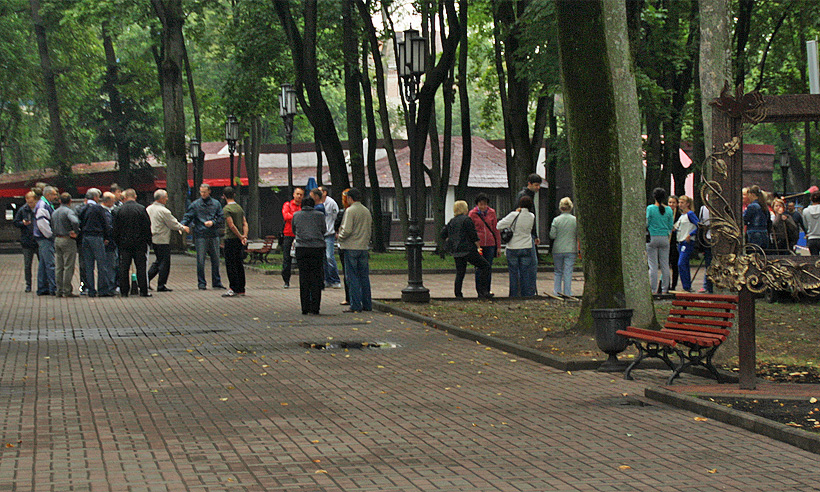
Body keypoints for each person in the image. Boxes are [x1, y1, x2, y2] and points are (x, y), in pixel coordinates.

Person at [441, 200, 492, 299]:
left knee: (460, 272)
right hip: (468, 250)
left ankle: (458, 293)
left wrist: (451, 239)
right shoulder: (467, 220)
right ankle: (483, 291)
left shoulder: (452, 221)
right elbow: (473, 235)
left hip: (456, 251)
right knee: (485, 266)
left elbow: (443, 234)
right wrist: (478, 246)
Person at [182, 183, 225, 290]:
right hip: (200, 234)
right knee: (200, 260)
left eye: (205, 192)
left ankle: (216, 282)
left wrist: (213, 222)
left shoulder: (216, 204)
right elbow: (188, 216)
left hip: (213, 234)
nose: (203, 194)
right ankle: (201, 283)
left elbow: (221, 217)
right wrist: (182, 225)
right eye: (201, 192)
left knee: (215, 260)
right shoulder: (195, 204)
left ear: (209, 191)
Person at [337, 187, 372, 313]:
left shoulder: (350, 211)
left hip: (351, 246)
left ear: (350, 198)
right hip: (363, 247)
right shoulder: (366, 210)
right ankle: (367, 304)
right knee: (364, 277)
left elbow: (347, 229)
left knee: (352, 277)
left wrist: (339, 237)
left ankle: (355, 305)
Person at [147, 189, 189, 292]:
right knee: (164, 262)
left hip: (153, 237)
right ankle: (161, 284)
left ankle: (146, 280)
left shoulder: (149, 208)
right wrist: (182, 228)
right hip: (162, 239)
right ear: (161, 199)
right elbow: (172, 223)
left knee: (158, 261)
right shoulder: (164, 211)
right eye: (165, 197)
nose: (167, 199)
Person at [112, 189, 152, 297]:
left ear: (124, 197)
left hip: (124, 244)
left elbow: (115, 228)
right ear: (135, 196)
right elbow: (147, 226)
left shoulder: (119, 210)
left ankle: (124, 291)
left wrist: (118, 241)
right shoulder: (141, 209)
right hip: (140, 243)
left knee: (124, 268)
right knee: (141, 267)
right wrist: (148, 241)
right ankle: (143, 290)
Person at [291, 196, 326, 314]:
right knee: (316, 276)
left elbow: (294, 230)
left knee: (304, 277)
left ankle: (305, 307)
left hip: (302, 248)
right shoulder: (320, 215)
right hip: (317, 248)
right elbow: (324, 230)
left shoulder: (296, 215)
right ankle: (315, 307)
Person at [497, 195, 537, 297]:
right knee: (525, 272)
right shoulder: (532, 216)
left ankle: (514, 294)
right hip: (527, 246)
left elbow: (499, 225)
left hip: (513, 247)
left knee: (513, 273)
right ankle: (525, 294)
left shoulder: (513, 215)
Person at [78, 188, 114, 297]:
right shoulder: (98, 208)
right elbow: (105, 223)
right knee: (101, 264)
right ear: (95, 197)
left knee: (88, 265)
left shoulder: (83, 208)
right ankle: (103, 289)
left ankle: (91, 289)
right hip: (97, 236)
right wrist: (107, 237)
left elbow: (79, 222)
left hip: (85, 237)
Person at [468, 194, 501, 294]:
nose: (483, 207)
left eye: (485, 204)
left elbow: (495, 229)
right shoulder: (472, 214)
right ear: (477, 204)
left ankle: (487, 289)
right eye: (481, 204)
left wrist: (498, 246)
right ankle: (480, 290)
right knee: (479, 267)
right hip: (479, 244)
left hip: (490, 244)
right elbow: (470, 230)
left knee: (488, 266)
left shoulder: (492, 212)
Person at [515, 173, 542, 290]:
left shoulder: (526, 195)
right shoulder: (525, 197)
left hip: (527, 234)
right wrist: (534, 234)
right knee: (531, 263)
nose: (538, 188)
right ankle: (529, 289)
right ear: (529, 184)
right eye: (536, 185)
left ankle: (526, 289)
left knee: (528, 263)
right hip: (526, 234)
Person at [646, 188, 674, 295]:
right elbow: (670, 225)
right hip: (664, 238)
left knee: (653, 265)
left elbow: (647, 222)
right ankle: (664, 289)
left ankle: (653, 289)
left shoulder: (650, 208)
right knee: (665, 265)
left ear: (654, 196)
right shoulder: (669, 210)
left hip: (652, 237)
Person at [51, 193, 80, 297]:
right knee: (68, 266)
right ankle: (67, 290)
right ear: (70, 201)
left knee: (59, 266)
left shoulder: (55, 212)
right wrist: (75, 231)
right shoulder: (68, 211)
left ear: (60, 201)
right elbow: (75, 221)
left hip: (57, 239)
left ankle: (59, 290)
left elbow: (51, 224)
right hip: (67, 239)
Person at [313, 186, 342, 289]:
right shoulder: (315, 203)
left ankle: (335, 279)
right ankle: (327, 279)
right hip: (320, 234)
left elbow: (336, 217)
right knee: (323, 258)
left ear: (325, 192)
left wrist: (336, 230)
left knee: (329, 256)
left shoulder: (331, 203)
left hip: (329, 233)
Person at [221, 187, 248, 297]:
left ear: (224, 196)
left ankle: (233, 287)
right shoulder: (239, 208)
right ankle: (241, 288)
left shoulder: (227, 209)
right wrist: (244, 236)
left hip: (230, 239)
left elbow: (231, 225)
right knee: (239, 263)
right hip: (239, 241)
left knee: (231, 264)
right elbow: (244, 223)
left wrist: (240, 236)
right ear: (234, 195)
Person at [33, 185, 58, 296]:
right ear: (48, 194)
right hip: (45, 238)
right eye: (54, 194)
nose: (56, 196)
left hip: (42, 238)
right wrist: (50, 235)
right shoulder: (43, 205)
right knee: (50, 263)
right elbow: (42, 223)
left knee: (43, 264)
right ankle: (53, 287)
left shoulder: (45, 204)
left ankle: (42, 287)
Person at [551, 197, 578, 297]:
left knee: (558, 271)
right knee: (568, 272)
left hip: (558, 249)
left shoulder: (556, 220)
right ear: (570, 207)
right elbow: (578, 234)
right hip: (571, 248)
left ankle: (557, 292)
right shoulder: (575, 220)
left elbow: (552, 235)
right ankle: (567, 292)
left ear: (560, 208)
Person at [13, 191, 38, 292]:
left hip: (37, 239)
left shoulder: (39, 209)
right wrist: (22, 223)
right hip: (27, 240)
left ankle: (44, 283)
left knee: (43, 263)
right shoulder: (23, 210)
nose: (30, 204)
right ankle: (28, 284)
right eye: (28, 202)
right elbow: (15, 222)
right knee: (27, 264)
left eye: (32, 202)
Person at [673, 195, 699, 292]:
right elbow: (676, 228)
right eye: (679, 202)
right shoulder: (682, 216)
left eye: (682, 203)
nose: (680, 205)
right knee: (684, 264)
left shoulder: (690, 214)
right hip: (680, 241)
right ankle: (686, 286)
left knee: (681, 263)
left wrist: (691, 234)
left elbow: (699, 225)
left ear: (687, 204)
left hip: (687, 242)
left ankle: (686, 285)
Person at [281, 188, 304, 289]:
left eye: (301, 195)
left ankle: (303, 280)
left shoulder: (303, 206)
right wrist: (298, 216)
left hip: (300, 235)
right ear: (294, 194)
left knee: (301, 258)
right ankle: (286, 280)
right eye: (297, 194)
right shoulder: (288, 205)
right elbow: (286, 216)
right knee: (287, 258)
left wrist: (293, 216)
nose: (299, 196)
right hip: (288, 234)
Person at [335, 189, 351, 306]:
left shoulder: (344, 212)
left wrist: (339, 235)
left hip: (345, 244)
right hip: (359, 246)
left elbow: (336, 225)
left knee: (347, 272)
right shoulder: (363, 210)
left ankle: (348, 297)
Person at [743, 185, 771, 251]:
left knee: (753, 253)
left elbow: (745, 219)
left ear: (752, 194)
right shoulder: (764, 206)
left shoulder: (752, 206)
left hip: (754, 234)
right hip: (764, 233)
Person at [698, 201, 713, 294]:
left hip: (716, 237)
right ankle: (708, 285)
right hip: (707, 238)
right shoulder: (703, 208)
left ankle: (709, 285)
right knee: (708, 263)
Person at [667, 195, 682, 290]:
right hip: (666, 240)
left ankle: (673, 285)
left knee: (674, 264)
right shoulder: (665, 213)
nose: (671, 204)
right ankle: (665, 284)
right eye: (670, 202)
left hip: (675, 241)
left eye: (673, 202)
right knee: (665, 264)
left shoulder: (679, 215)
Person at [803, 190, 820, 255]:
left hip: (811, 238)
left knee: (814, 258)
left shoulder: (806, 211)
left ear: (811, 199)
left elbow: (805, 225)